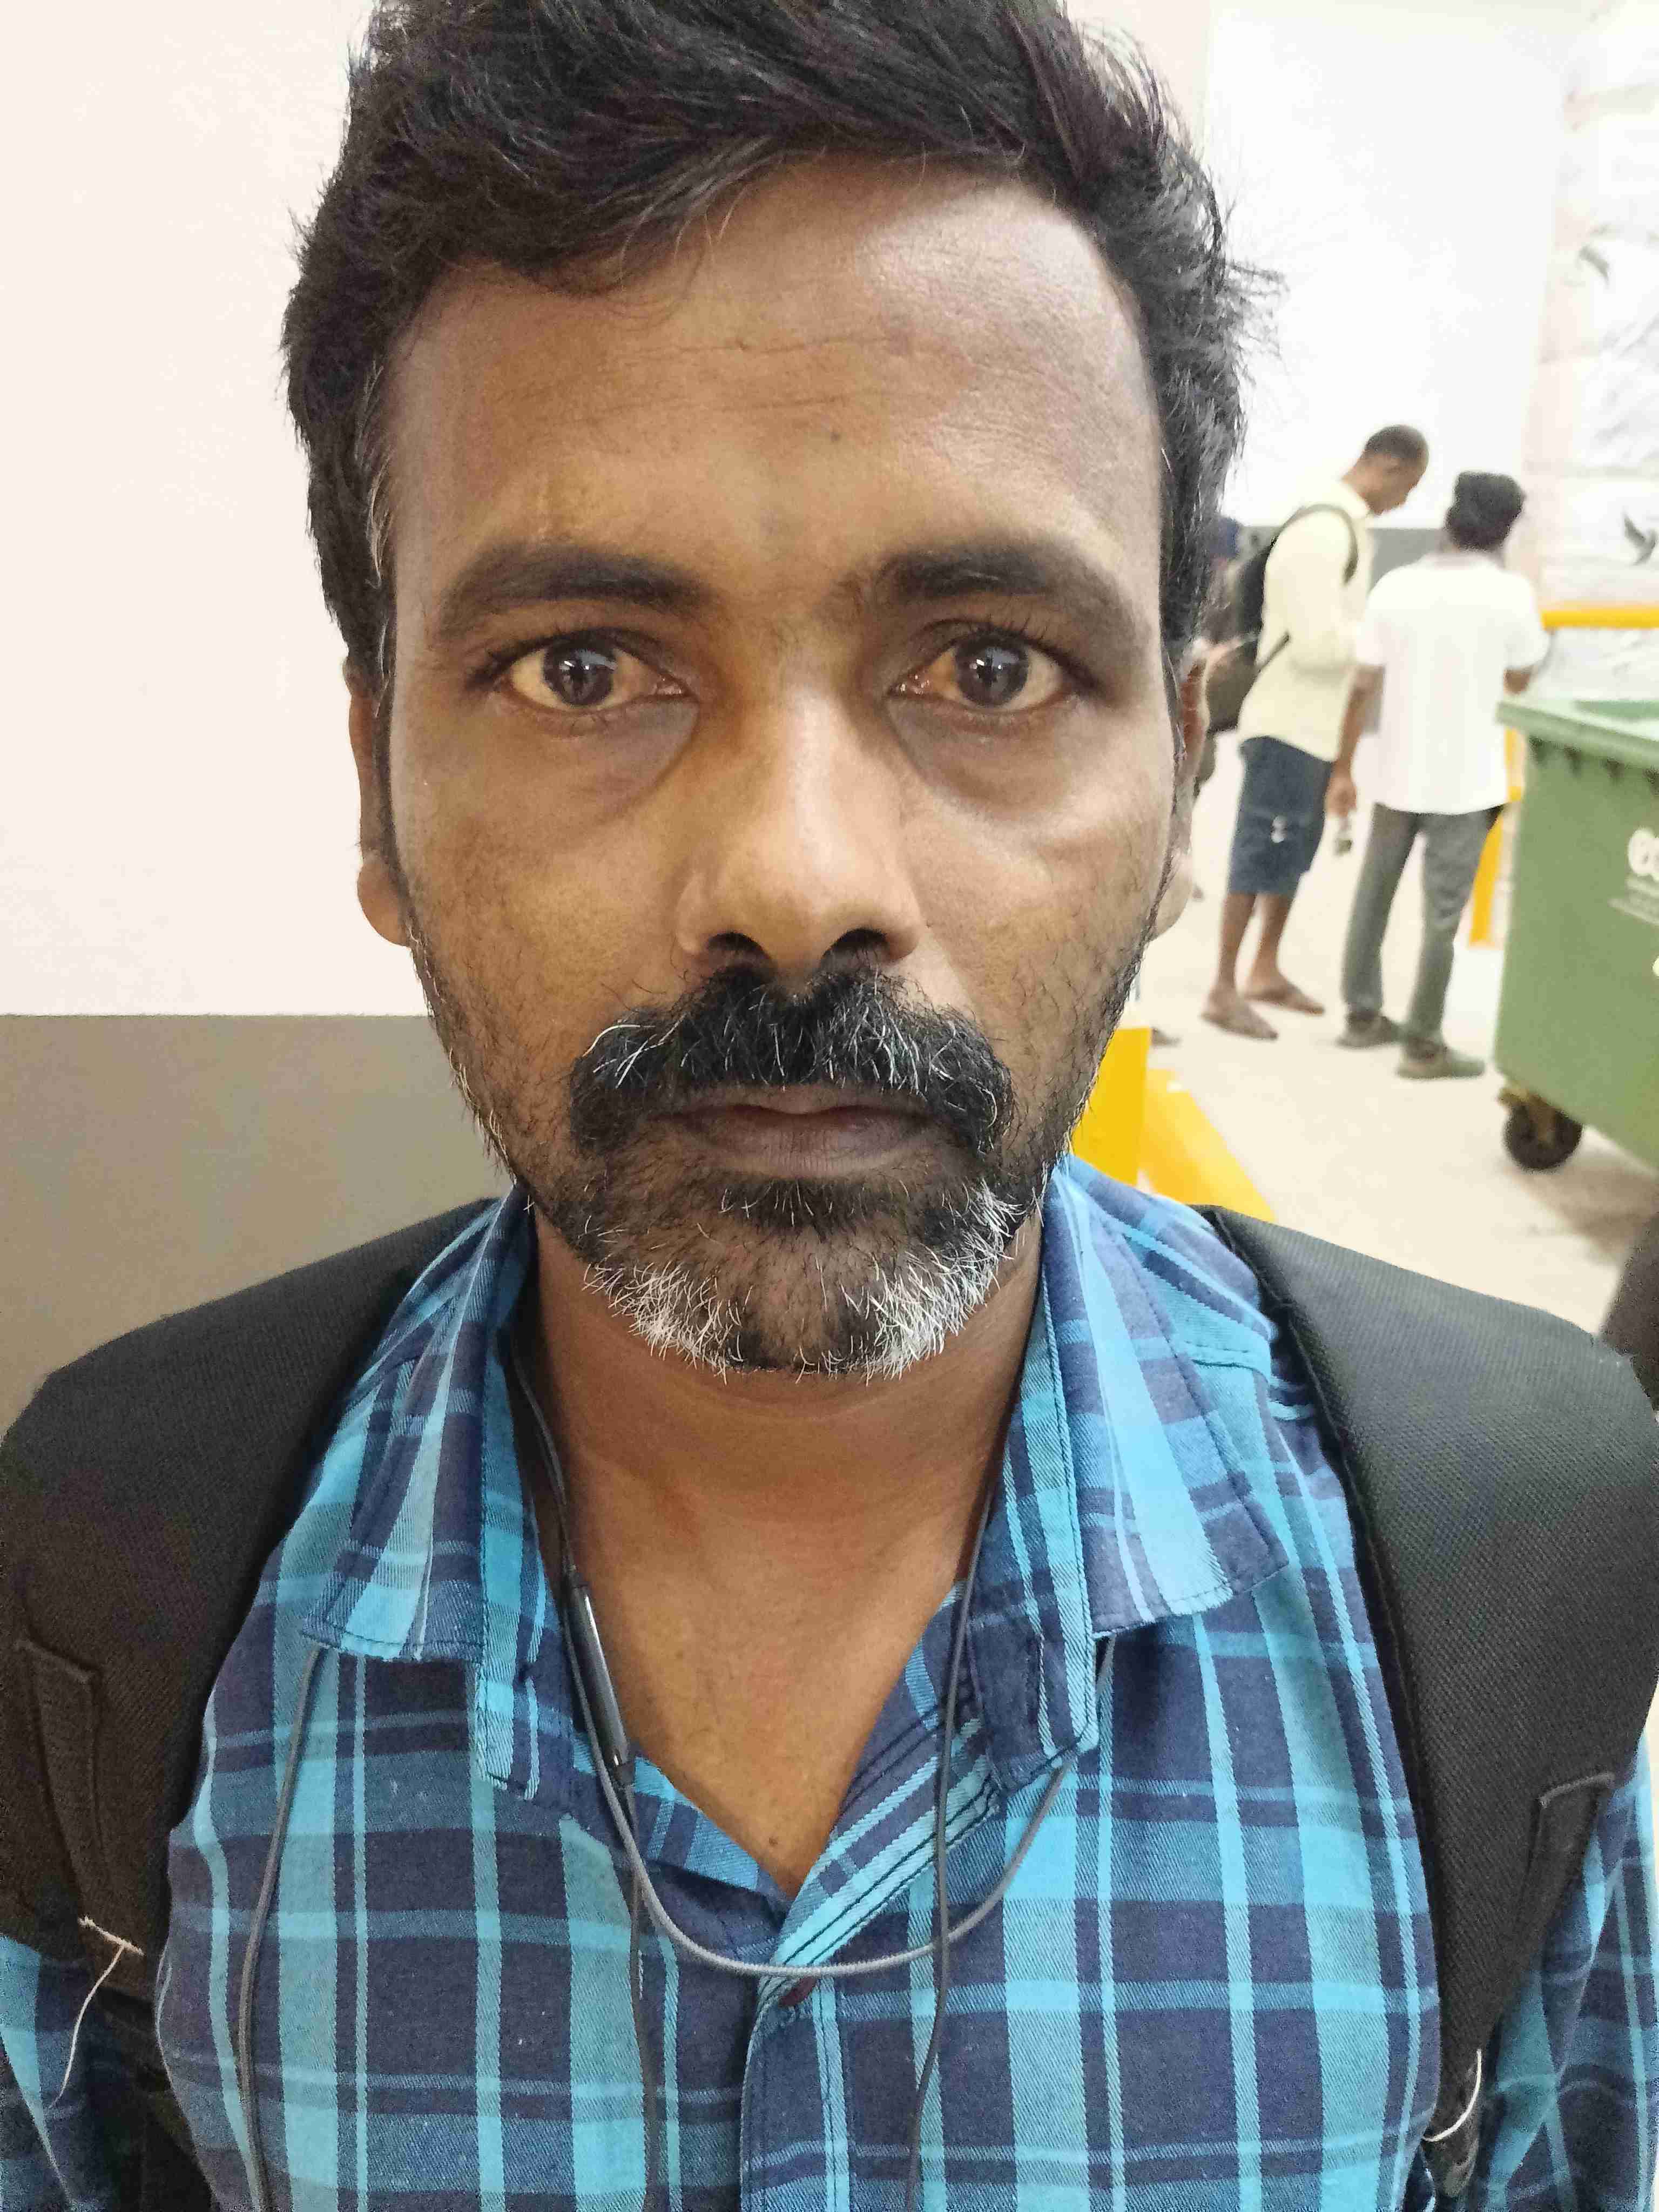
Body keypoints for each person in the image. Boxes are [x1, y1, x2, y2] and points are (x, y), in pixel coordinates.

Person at [1, 8, 1654, 2207]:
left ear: (1181, 772)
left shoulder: (1507, 1581)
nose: (794, 883)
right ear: (376, 788)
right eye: (585, 666)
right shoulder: (112, 1592)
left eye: (989, 664)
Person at [1202, 427, 1428, 1041]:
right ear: (1386, 466)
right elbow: (1315, 644)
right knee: (1259, 852)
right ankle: (1223, 987)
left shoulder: (1346, 527)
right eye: (1408, 487)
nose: (1407, 501)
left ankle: (1265, 970)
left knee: (1294, 854)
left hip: (1316, 728)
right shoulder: (1323, 531)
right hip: (1286, 724)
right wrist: (1381, 636)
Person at [1330, 473, 1549, 1076]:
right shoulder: (1511, 595)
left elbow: (1362, 686)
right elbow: (1521, 678)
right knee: (1442, 919)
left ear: (1450, 519)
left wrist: (1343, 769)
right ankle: (1423, 1045)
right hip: (1467, 784)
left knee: (1373, 899)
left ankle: (1362, 1018)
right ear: (1504, 531)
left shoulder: (1397, 586)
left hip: (1396, 773)